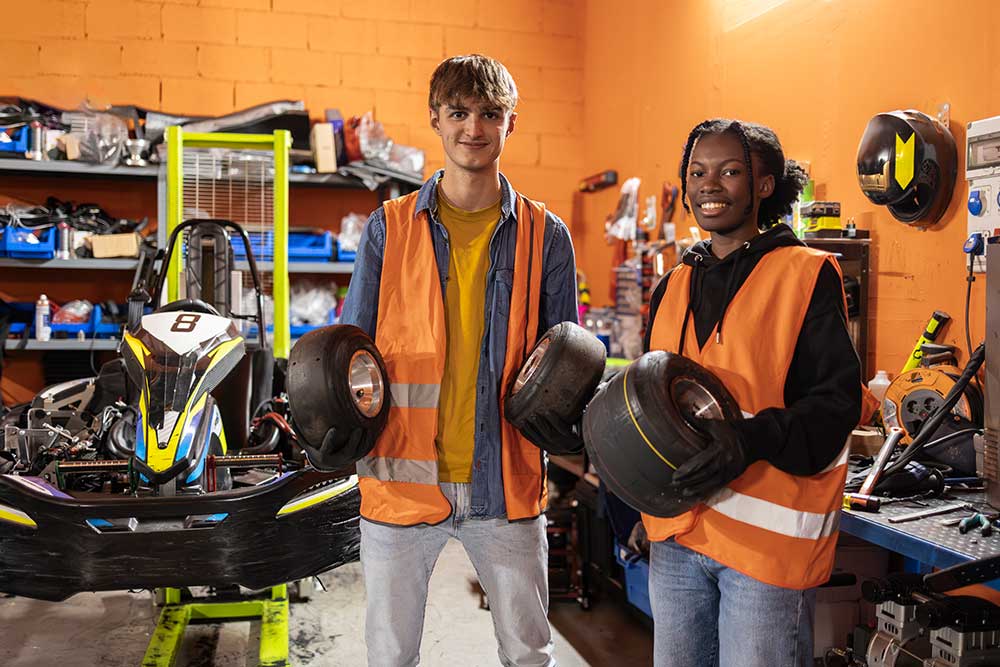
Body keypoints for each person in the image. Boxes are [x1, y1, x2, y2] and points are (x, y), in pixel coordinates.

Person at [339, 54, 579, 667]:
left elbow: (565, 357)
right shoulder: (387, 229)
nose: (474, 127)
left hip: (504, 481)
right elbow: (352, 350)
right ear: (436, 121)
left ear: (510, 123)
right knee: (390, 658)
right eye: (459, 113)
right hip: (399, 480)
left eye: (490, 114)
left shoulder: (545, 235)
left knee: (528, 653)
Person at [641, 119, 863, 666]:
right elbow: (649, 401)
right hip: (677, 536)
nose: (708, 185)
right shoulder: (673, 284)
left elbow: (836, 407)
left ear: (765, 186)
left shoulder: (806, 275)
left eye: (729, 171)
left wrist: (751, 439)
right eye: (697, 172)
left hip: (764, 551)